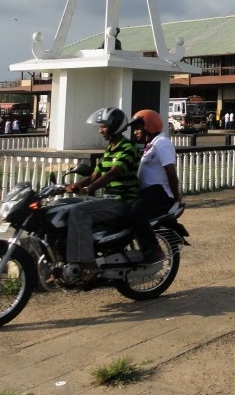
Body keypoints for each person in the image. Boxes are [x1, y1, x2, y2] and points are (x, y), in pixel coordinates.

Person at [63, 107, 141, 282]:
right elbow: (94, 175)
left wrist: (88, 189)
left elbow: (112, 174)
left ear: (115, 127)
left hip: (122, 200)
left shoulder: (127, 147)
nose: (100, 130)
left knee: (79, 211)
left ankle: (87, 264)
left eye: (104, 126)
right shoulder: (110, 149)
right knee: (62, 206)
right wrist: (73, 185)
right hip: (108, 199)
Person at [128, 109, 182, 263]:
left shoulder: (162, 143)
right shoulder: (150, 145)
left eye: (138, 128)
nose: (135, 133)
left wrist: (176, 195)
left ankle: (154, 250)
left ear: (149, 126)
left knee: (135, 213)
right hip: (147, 192)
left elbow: (170, 172)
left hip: (159, 193)